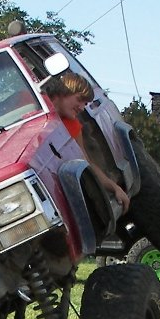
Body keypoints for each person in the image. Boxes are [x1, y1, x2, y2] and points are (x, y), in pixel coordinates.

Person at [46, 72, 130, 213]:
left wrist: (114, 187)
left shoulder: (73, 126)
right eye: (79, 100)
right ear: (63, 92)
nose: (82, 107)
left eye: (85, 104)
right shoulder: (35, 107)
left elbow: (86, 162)